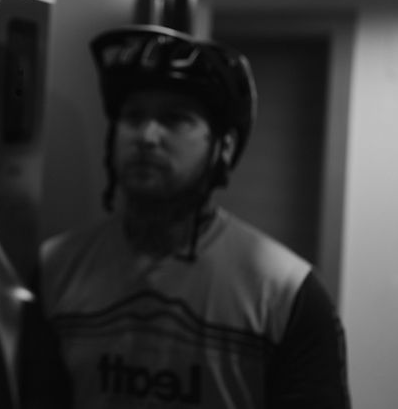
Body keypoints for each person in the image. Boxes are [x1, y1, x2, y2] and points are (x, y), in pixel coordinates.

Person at [38, 25, 351, 409]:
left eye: (175, 119)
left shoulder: (283, 292)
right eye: (134, 116)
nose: (147, 136)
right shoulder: (56, 269)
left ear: (225, 146)